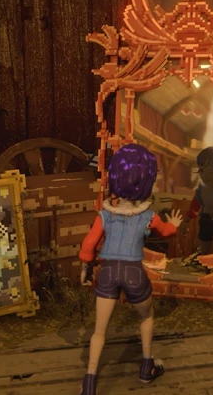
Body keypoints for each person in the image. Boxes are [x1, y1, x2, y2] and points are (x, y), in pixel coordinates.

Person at [78, 143, 183, 395]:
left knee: (99, 330)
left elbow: (88, 246)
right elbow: (167, 232)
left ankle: (89, 382)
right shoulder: (149, 217)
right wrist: (174, 224)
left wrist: (84, 269)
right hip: (134, 272)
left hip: (108, 272)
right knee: (146, 316)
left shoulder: (104, 215)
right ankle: (147, 368)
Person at [183, 146, 213, 255]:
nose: (203, 173)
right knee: (203, 253)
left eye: (212, 170)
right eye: (201, 170)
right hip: (204, 222)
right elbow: (194, 207)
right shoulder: (200, 190)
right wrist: (186, 221)